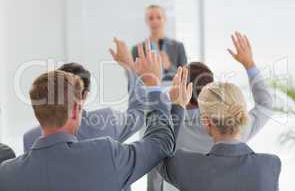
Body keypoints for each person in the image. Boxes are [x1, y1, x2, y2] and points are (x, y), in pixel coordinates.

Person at [0, 44, 192, 191]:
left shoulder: (6, 174)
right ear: (77, 108)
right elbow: (158, 140)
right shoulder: (105, 150)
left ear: (37, 111)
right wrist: (151, 84)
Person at [149, 32, 274, 191]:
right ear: (209, 89)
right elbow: (266, 105)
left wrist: (170, 99)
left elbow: (155, 166)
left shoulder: (168, 129)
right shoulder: (236, 125)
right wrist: (249, 64)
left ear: (181, 89)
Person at [23, 39, 146, 154]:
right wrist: (129, 68)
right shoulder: (108, 121)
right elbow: (139, 113)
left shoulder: (30, 139)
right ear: (85, 94)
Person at [132, 5, 187, 81]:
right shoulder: (137, 49)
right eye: (151, 18)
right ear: (146, 21)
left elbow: (185, 78)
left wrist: (169, 66)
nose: (155, 21)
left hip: (173, 91)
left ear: (165, 19)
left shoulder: (178, 47)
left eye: (159, 17)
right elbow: (133, 81)